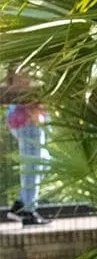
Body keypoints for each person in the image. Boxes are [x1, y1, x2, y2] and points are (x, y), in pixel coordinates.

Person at [3, 70, 51, 226]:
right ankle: (28, 210)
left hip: (29, 121)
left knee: (44, 160)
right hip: (27, 122)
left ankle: (21, 204)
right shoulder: (22, 69)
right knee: (33, 165)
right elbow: (23, 91)